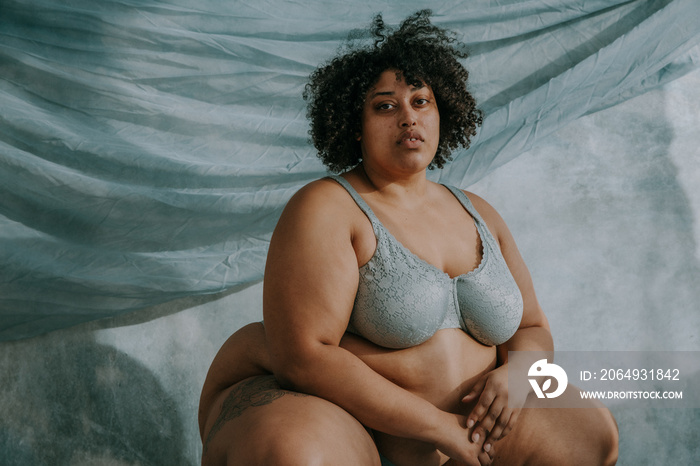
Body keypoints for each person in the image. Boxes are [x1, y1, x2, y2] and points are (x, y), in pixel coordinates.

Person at [198, 10, 619, 466]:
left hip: (466, 429)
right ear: (354, 125)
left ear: (443, 114)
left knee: (588, 432)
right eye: (385, 105)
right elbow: (305, 355)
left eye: (421, 102)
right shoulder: (327, 207)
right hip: (350, 421)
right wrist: (441, 427)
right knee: (301, 454)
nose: (407, 118)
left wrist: (521, 371)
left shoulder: (478, 212)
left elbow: (532, 327)